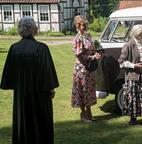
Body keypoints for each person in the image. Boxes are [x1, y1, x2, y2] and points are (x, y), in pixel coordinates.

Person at [0, 16, 59, 144]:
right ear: (32, 29)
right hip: (40, 95)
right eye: (35, 26)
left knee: (23, 122)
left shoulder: (14, 48)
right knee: (41, 123)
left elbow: (8, 77)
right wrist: (51, 89)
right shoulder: (41, 48)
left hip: (21, 96)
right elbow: (47, 74)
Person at [118, 24, 142, 125]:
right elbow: (121, 61)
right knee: (133, 96)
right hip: (134, 75)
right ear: (137, 33)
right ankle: (133, 119)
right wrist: (134, 65)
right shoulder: (129, 45)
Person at [71, 15, 101, 123]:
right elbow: (79, 55)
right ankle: (84, 114)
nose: (83, 27)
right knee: (82, 91)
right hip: (82, 68)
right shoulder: (78, 38)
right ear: (77, 26)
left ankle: (89, 114)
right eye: (80, 25)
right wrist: (93, 57)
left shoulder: (88, 36)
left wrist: (96, 54)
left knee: (89, 90)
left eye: (84, 24)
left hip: (90, 68)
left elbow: (92, 49)